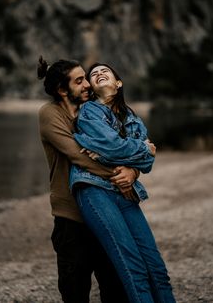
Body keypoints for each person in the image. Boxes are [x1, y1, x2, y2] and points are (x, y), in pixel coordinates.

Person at [69, 62, 177, 303]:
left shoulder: (133, 119)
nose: (98, 74)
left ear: (118, 83)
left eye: (104, 71)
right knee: (133, 266)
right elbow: (115, 147)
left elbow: (145, 164)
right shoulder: (89, 112)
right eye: (93, 74)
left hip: (126, 190)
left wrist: (132, 167)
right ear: (92, 88)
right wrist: (145, 149)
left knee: (156, 267)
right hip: (94, 189)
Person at [37, 56, 140, 303]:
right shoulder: (50, 114)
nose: (87, 85)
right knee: (75, 292)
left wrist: (133, 172)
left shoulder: (95, 109)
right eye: (80, 81)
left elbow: (127, 146)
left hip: (107, 212)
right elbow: (78, 156)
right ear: (63, 90)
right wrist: (121, 176)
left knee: (116, 289)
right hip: (71, 218)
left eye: (86, 79)